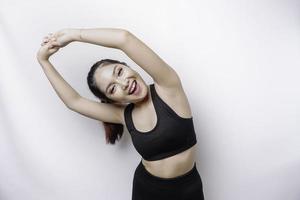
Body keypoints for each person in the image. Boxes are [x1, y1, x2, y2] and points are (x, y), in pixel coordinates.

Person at [36, 28, 205, 200]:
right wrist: (43, 61)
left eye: (119, 71)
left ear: (127, 65)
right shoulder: (123, 115)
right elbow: (74, 101)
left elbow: (124, 38)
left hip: (188, 190)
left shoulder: (168, 86)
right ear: (112, 100)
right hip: (147, 190)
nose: (123, 83)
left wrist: (74, 35)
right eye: (112, 88)